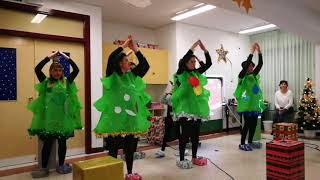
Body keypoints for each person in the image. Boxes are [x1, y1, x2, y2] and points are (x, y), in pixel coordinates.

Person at [94, 36, 150, 180]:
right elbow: (111, 58)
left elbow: (145, 65)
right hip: (115, 122)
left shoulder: (132, 76)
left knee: (130, 150)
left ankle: (129, 173)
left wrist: (135, 49)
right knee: (113, 150)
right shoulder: (112, 77)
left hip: (131, 121)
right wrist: (124, 45)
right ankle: (112, 175)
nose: (128, 62)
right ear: (119, 64)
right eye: (125, 60)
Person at [28, 51, 82, 178]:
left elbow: (76, 69)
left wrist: (65, 57)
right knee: (47, 144)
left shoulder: (66, 82)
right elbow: (37, 68)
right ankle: (44, 168)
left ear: (62, 72)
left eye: (59, 70)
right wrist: (49, 57)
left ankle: (62, 165)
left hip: (63, 120)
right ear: (50, 72)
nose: (57, 72)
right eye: (54, 70)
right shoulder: (46, 82)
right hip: (49, 120)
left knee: (62, 143)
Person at [172, 40, 212, 169]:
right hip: (185, 110)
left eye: (195, 62)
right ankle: (182, 159)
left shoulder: (196, 73)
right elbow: (184, 59)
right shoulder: (181, 73)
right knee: (184, 136)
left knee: (195, 136)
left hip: (196, 110)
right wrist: (193, 47)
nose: (194, 64)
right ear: (185, 63)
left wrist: (205, 50)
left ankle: (194, 157)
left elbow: (209, 64)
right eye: (191, 62)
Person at [234, 43, 265, 151]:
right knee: (247, 124)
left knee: (253, 125)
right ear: (246, 68)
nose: (252, 67)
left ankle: (250, 142)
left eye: (252, 66)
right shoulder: (242, 76)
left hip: (254, 104)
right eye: (250, 66)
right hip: (246, 105)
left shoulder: (254, 76)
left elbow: (260, 64)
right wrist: (252, 52)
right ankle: (242, 143)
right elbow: (247, 64)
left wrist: (259, 51)